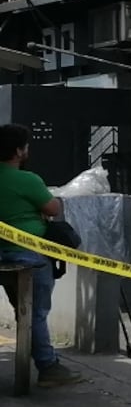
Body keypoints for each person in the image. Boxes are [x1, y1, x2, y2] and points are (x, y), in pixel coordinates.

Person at [0, 123, 83, 387]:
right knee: (34, 313)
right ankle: (48, 368)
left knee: (22, 311)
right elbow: (52, 207)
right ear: (18, 151)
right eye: (26, 146)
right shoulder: (28, 180)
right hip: (29, 256)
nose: (28, 150)